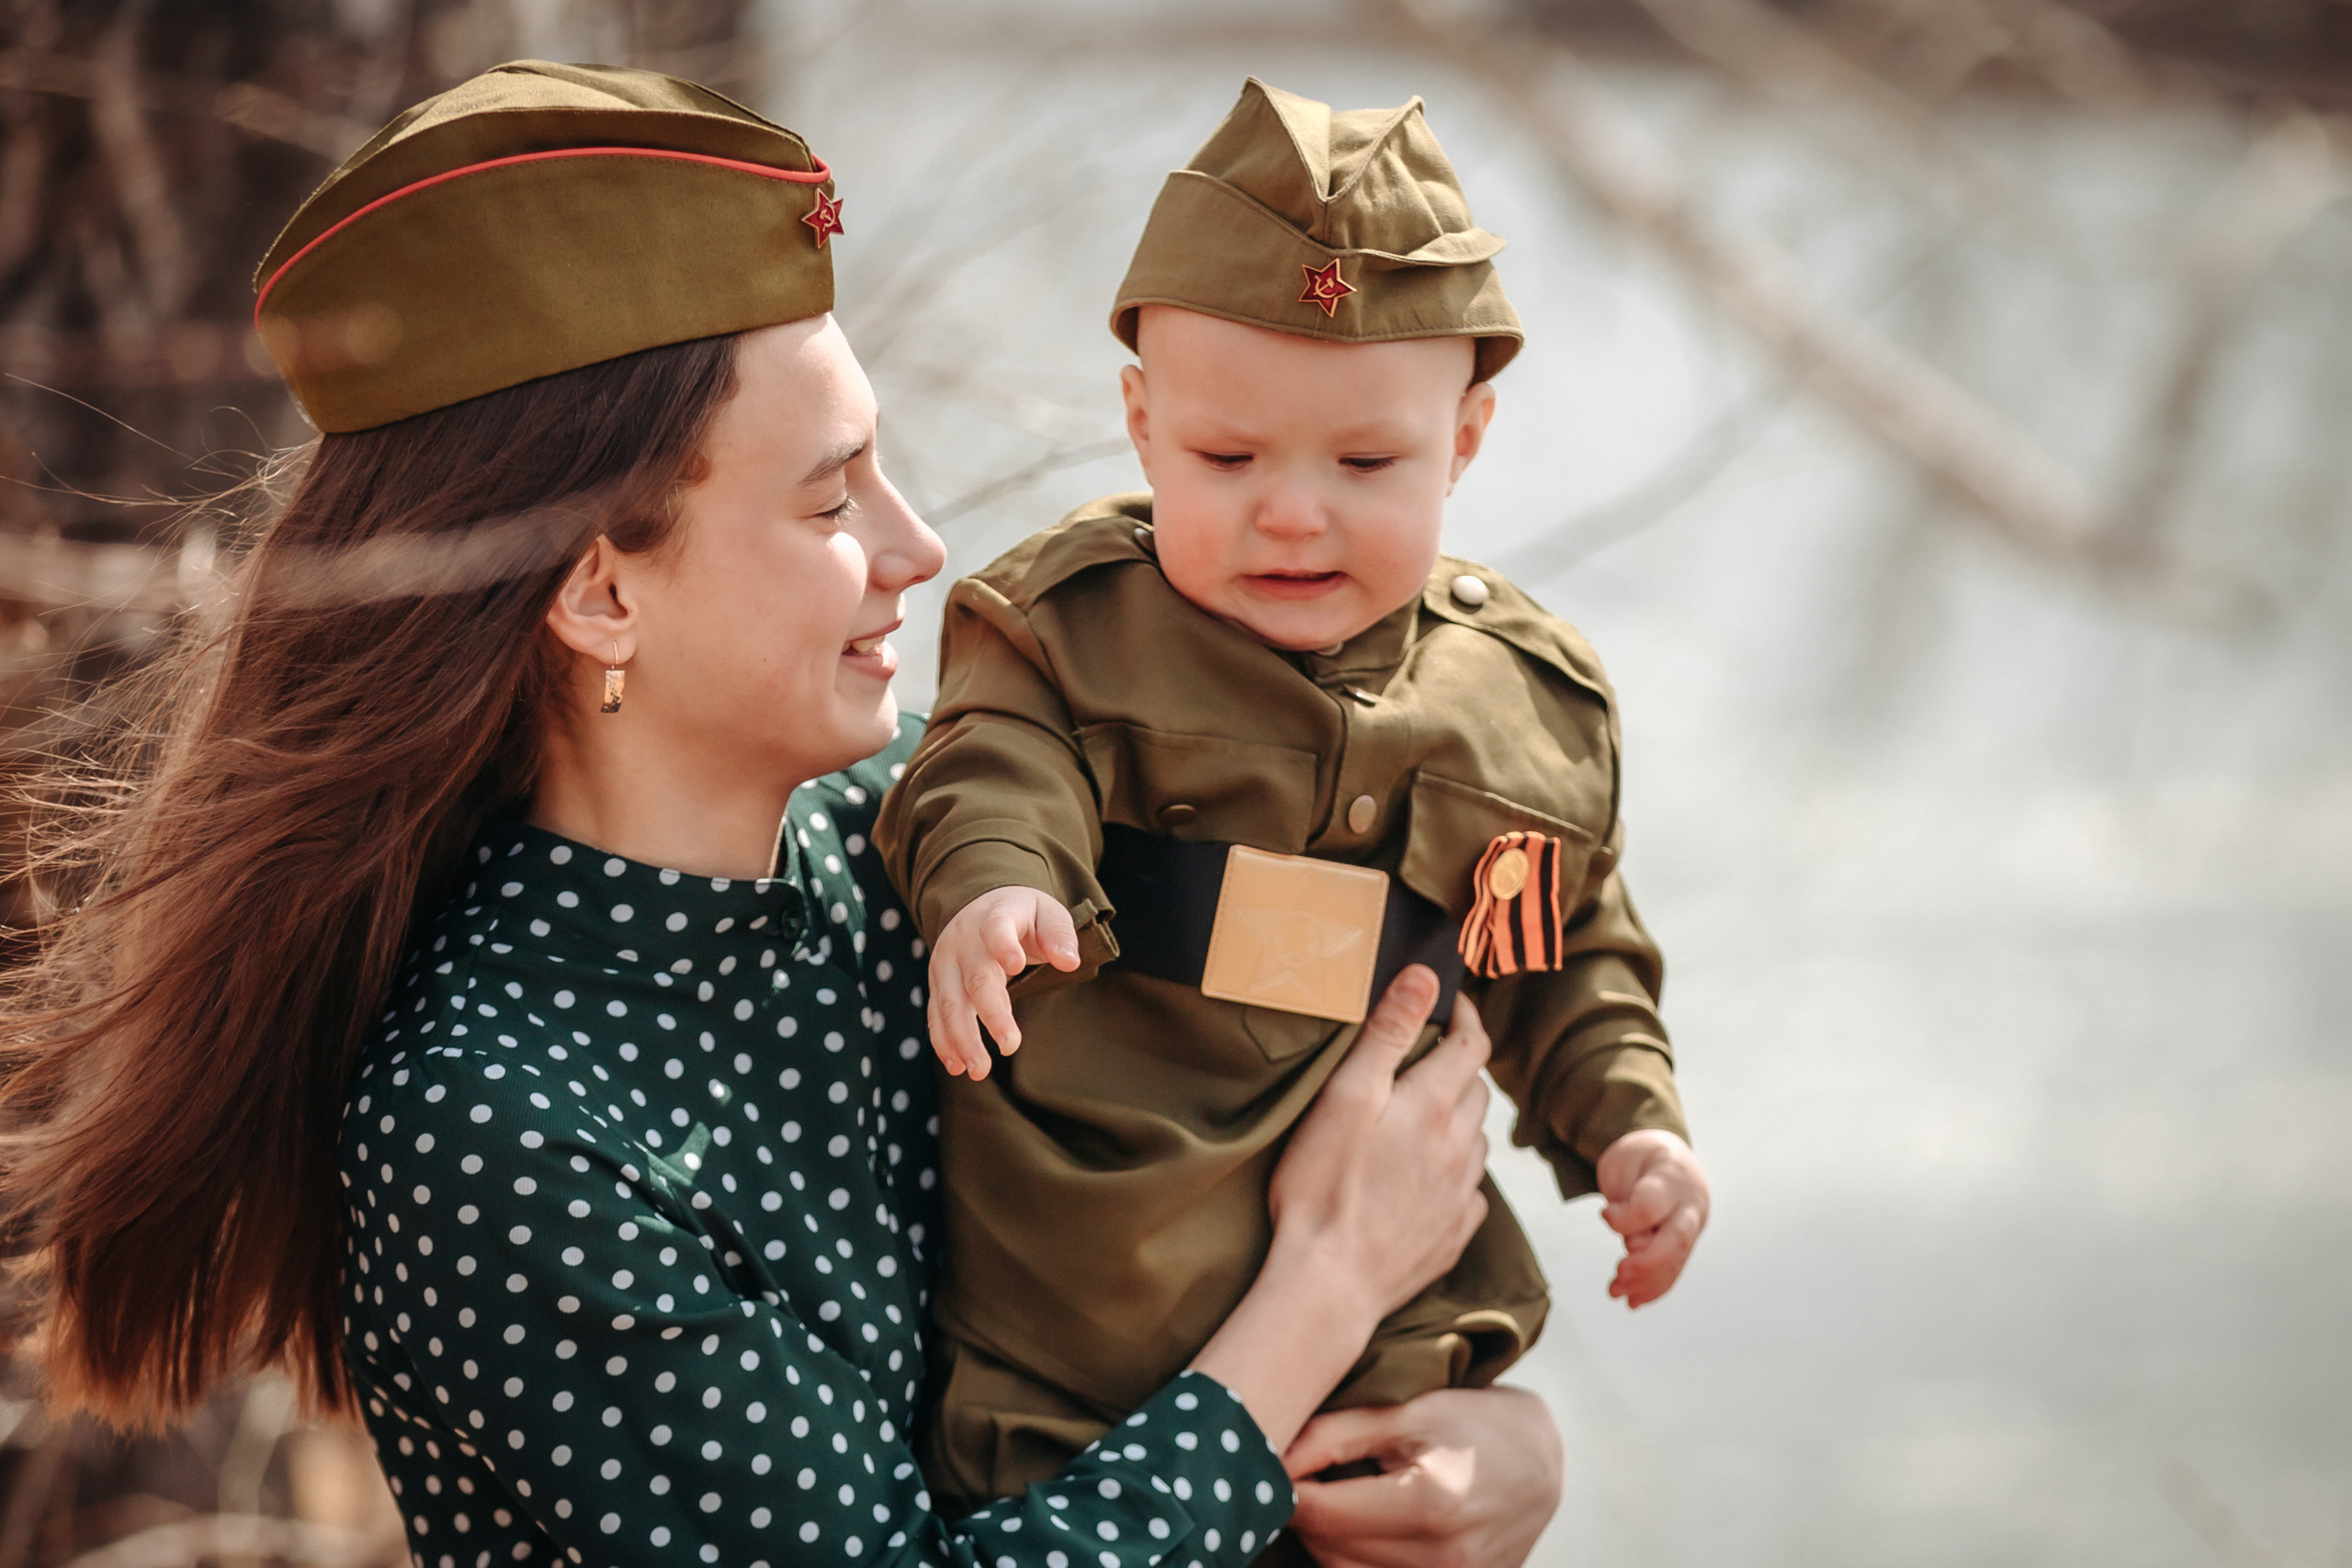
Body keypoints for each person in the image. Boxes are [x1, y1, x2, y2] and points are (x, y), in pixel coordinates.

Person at [0, 61, 1566, 1568]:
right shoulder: (496, 1130)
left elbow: (1396, 991)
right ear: (602, 595)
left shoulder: (933, 846)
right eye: (832, 499)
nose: (921, 547)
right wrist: (1320, 1298)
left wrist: (1501, 1445)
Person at [874, 79, 1713, 1520]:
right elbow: (990, 767)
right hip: (1085, 1312)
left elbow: (1565, 953)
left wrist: (1633, 1123)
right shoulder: (1071, 631)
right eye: (1228, 458)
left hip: (1393, 1353)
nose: (1293, 512)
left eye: (1367, 462)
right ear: (1142, 425)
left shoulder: (1525, 707)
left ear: (1466, 440)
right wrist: (997, 887)